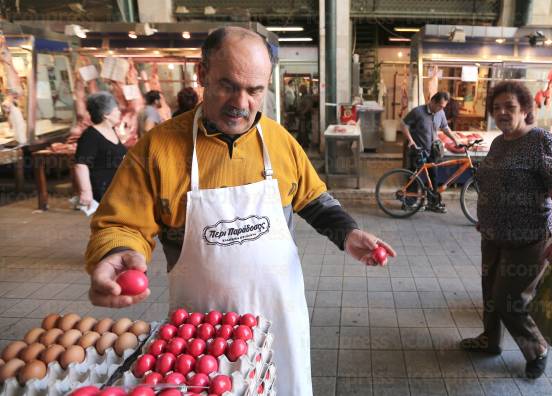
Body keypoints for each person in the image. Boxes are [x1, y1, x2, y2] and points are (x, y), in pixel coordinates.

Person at [84, 27, 396, 396]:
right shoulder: (159, 148)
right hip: (200, 335)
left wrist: (347, 232)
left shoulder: (279, 141)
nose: (241, 103)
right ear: (202, 75)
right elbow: (122, 223)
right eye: (228, 85)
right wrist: (118, 251)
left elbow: (313, 197)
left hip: (279, 317)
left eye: (254, 90)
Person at [460, 81, 552, 379]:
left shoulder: (542, 142)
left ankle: (537, 347)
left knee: (508, 299)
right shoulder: (500, 142)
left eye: (510, 107)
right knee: (490, 294)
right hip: (493, 235)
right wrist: (486, 217)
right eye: (497, 108)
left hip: (529, 238)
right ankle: (490, 340)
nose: (502, 113)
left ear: (525, 109)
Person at [401, 91, 459, 212]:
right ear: (432, 101)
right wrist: (411, 141)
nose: (441, 109)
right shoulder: (418, 112)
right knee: (414, 176)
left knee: (434, 176)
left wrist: (455, 139)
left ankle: (433, 203)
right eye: (440, 106)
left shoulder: (440, 113)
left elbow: (444, 127)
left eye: (443, 107)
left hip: (432, 150)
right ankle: (409, 203)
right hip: (418, 150)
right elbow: (404, 125)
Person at [73, 91, 126, 206]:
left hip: (119, 189)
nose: (119, 112)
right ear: (106, 114)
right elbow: (81, 164)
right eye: (116, 109)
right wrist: (86, 191)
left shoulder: (112, 130)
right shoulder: (90, 135)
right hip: (103, 190)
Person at [296, 84, 314, 148]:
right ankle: (302, 142)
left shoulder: (307, 97)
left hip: (305, 117)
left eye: (300, 89)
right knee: (302, 130)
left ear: (303, 89)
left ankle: (305, 143)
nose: (299, 90)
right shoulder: (303, 96)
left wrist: (303, 113)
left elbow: (308, 106)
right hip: (303, 116)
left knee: (304, 130)